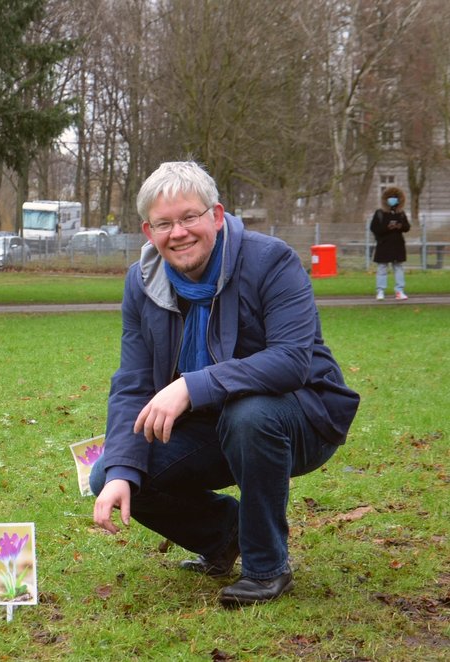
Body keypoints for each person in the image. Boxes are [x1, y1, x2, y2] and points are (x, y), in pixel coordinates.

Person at [90, 161, 359, 607]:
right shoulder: (141, 283)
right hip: (211, 426)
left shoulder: (271, 260)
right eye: (164, 223)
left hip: (301, 416)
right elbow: (133, 384)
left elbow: (292, 361)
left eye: (190, 217)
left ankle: (266, 567)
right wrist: (120, 470)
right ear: (148, 230)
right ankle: (223, 534)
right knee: (113, 472)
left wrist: (193, 386)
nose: (178, 233)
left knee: (248, 413)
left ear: (216, 215)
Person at [370, 186, 411, 300]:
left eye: (395, 197)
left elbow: (407, 227)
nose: (393, 199)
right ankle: (380, 291)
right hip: (384, 244)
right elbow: (374, 228)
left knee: (398, 268)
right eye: (390, 197)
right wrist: (388, 227)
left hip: (398, 245)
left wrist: (399, 226)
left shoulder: (401, 213)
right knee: (382, 268)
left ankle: (399, 291)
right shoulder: (379, 213)